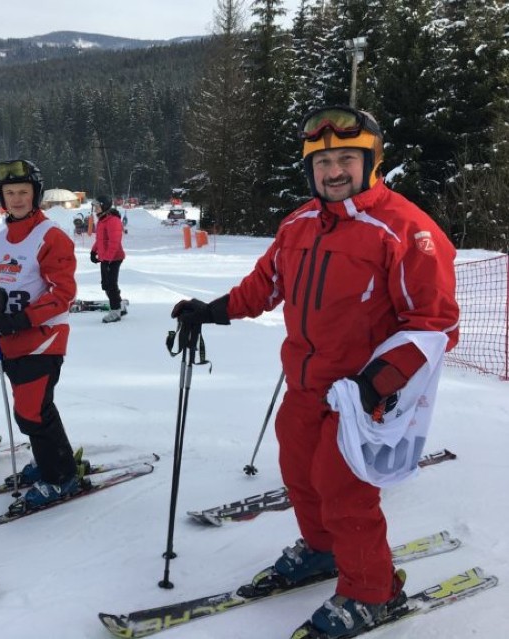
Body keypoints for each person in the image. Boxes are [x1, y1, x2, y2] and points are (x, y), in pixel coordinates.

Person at [171, 105, 459, 639]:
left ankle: (372, 591)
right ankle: (323, 551)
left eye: (347, 158)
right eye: (323, 161)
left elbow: (436, 324)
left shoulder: (406, 230)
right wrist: (211, 309)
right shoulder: (298, 224)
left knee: (342, 486)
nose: (334, 171)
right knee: (300, 471)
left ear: (370, 161)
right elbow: (265, 285)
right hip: (305, 384)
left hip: (359, 393)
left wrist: (381, 380)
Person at [0, 159, 80, 510]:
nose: (17, 199)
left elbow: (62, 293)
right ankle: (48, 459)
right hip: (11, 341)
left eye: (24, 192)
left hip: (43, 339)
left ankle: (61, 476)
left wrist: (22, 319)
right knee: (34, 409)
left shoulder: (51, 237)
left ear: (36, 195)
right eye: (10, 193)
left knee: (32, 412)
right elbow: (0, 286)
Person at [89, 195, 127, 323]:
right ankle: (120, 305)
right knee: (107, 284)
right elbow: (100, 239)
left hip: (114, 257)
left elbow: (114, 243)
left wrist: (107, 261)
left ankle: (115, 311)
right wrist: (94, 251)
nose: (95, 209)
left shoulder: (113, 221)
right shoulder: (102, 219)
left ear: (104, 206)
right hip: (106, 257)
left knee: (109, 285)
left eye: (97, 206)